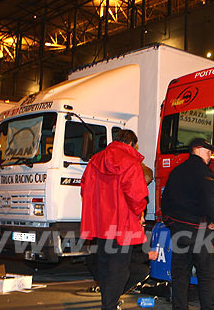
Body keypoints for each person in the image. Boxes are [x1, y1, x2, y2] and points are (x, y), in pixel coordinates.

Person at [80, 129, 149, 310]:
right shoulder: (131, 162)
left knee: (104, 267)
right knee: (119, 271)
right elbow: (136, 196)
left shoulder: (94, 160)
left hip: (101, 225)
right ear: (132, 144)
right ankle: (109, 306)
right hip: (122, 225)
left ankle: (108, 302)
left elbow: (84, 189)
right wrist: (139, 212)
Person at [161, 138, 214, 310]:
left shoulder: (176, 172)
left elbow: (165, 201)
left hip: (179, 231)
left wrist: (170, 222)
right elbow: (211, 200)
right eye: (208, 151)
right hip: (199, 231)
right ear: (198, 149)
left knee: (180, 275)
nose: (211, 155)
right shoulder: (204, 172)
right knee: (206, 274)